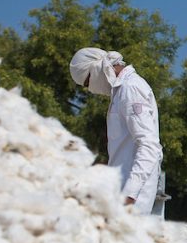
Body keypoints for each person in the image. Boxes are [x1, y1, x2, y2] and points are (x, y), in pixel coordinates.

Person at [69, 48, 164, 217]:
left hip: (132, 196)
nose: (90, 89)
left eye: (87, 82)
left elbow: (149, 146)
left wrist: (129, 194)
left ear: (97, 68)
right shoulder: (121, 91)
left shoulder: (130, 88)